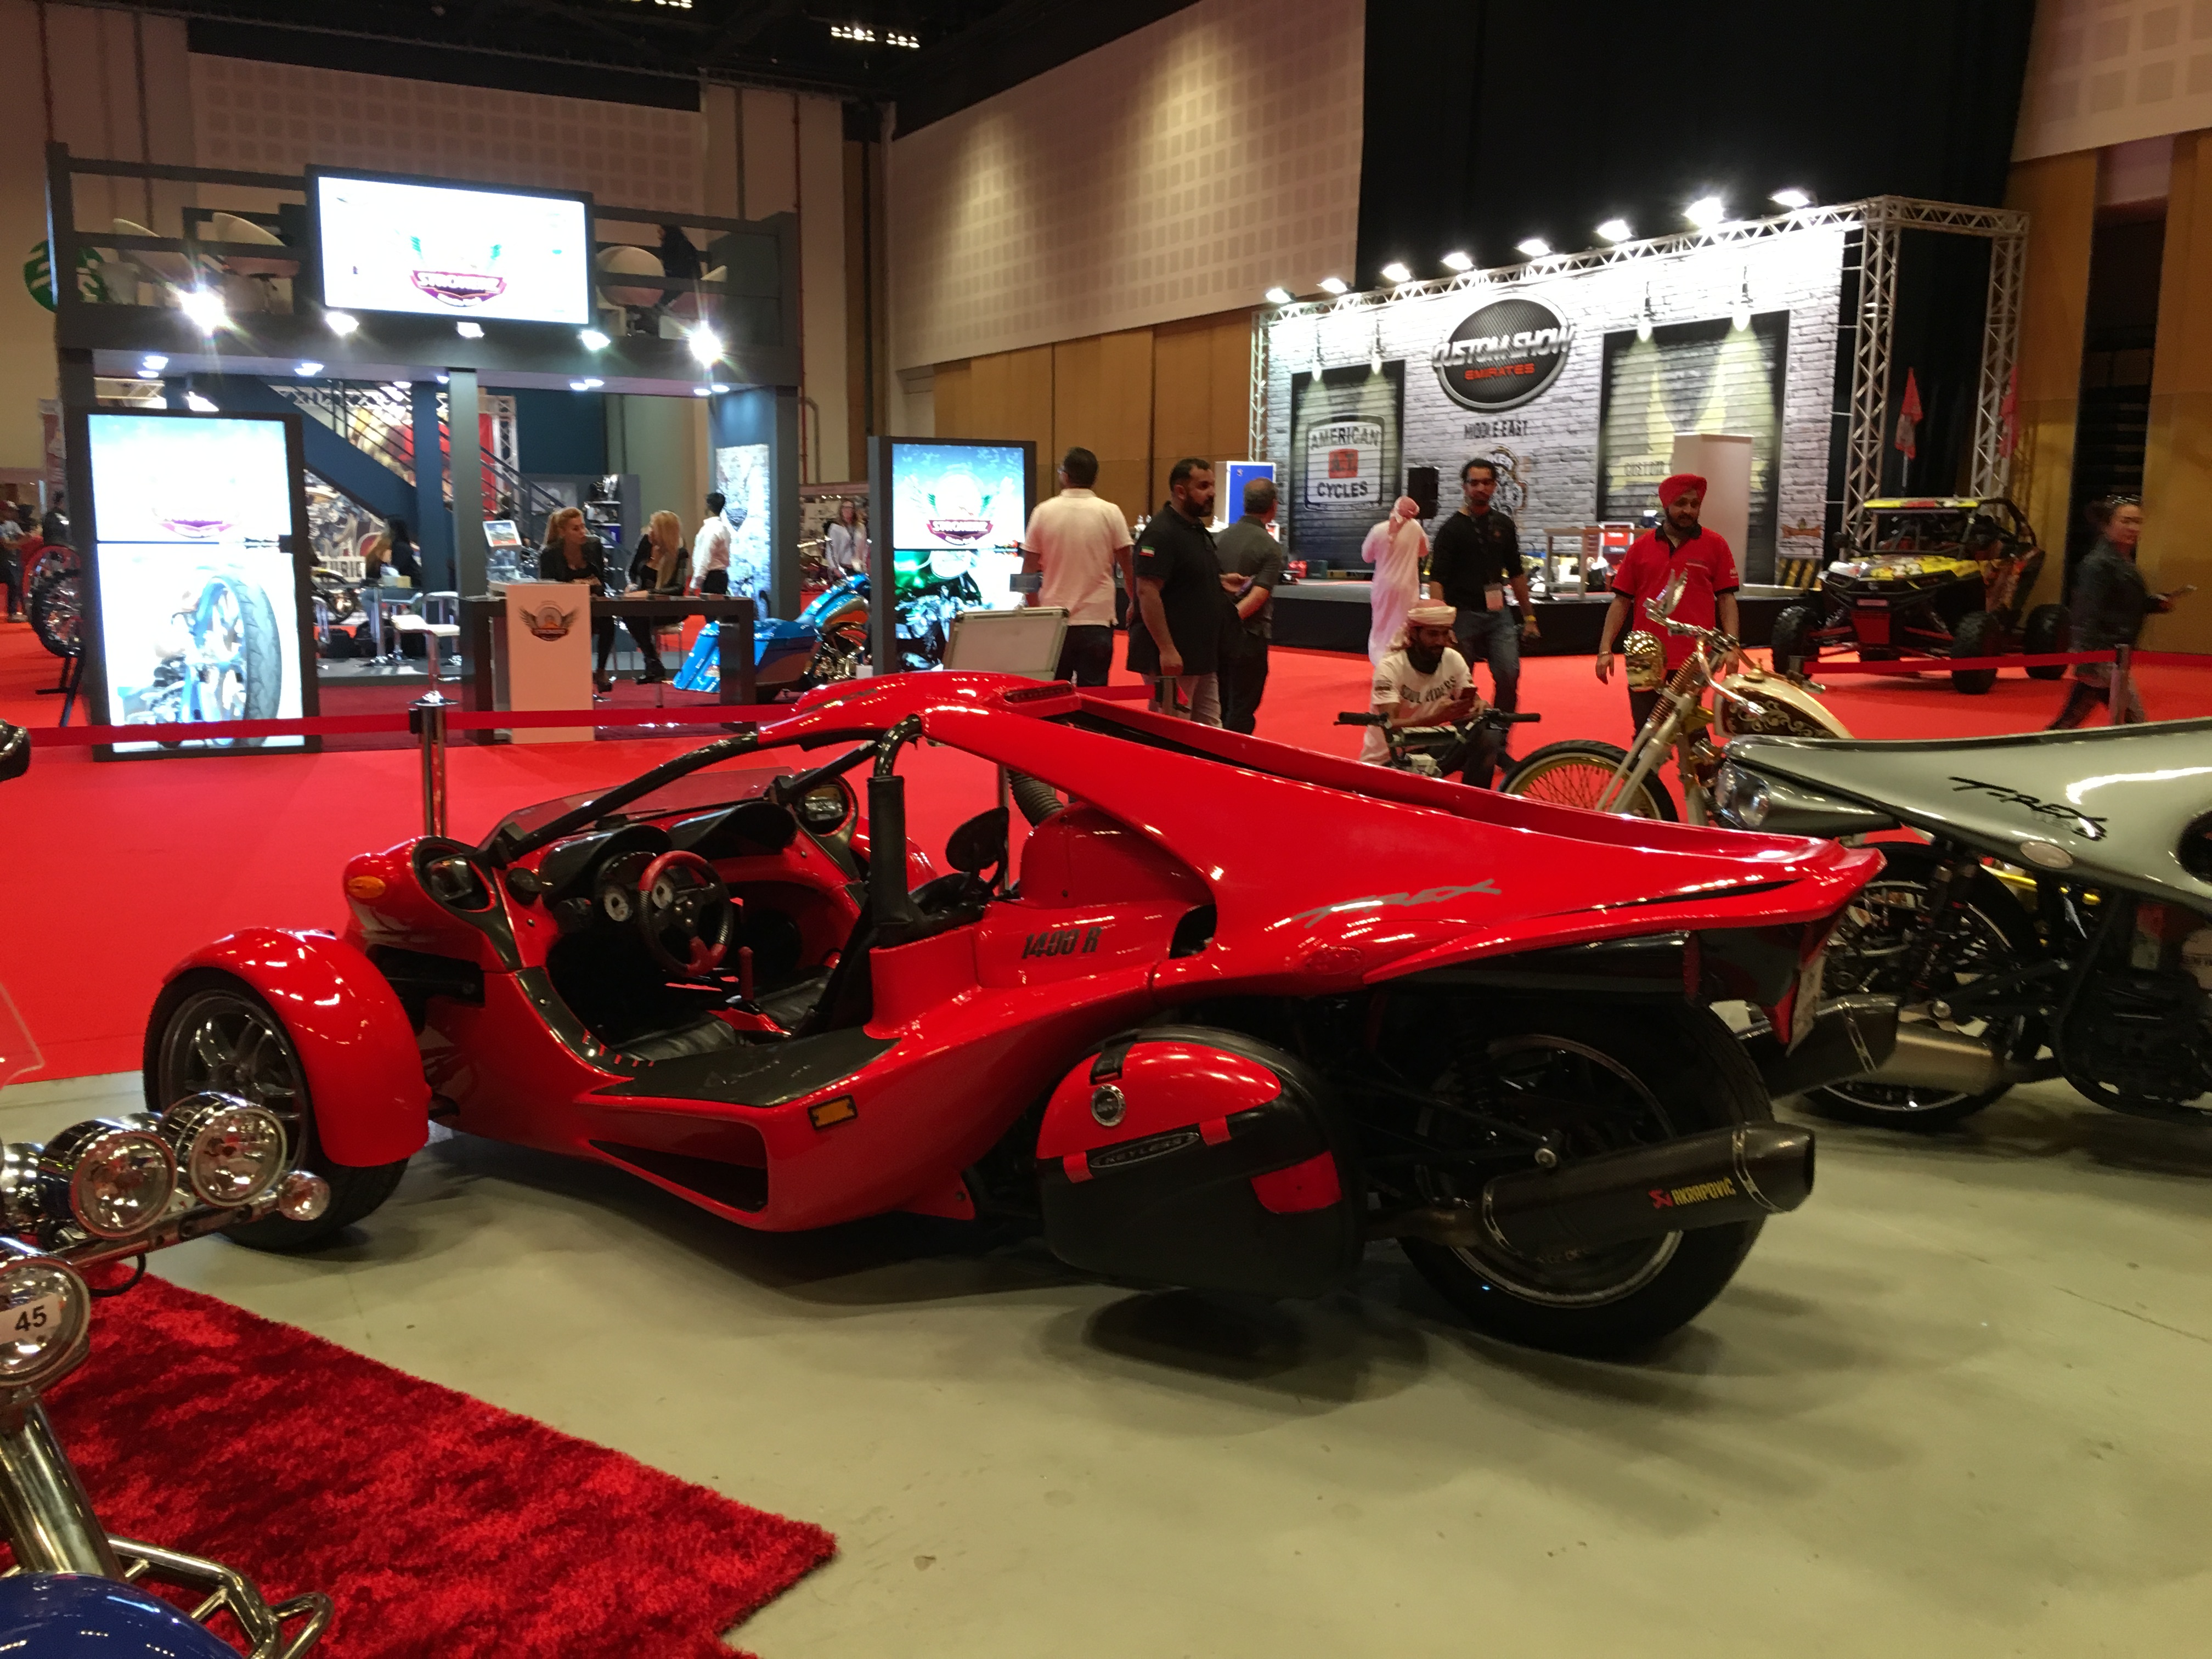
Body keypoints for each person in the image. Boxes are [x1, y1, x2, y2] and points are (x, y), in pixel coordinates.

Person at [1596, 472, 1740, 733]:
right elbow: (1621, 602)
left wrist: (1732, 645)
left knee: (1692, 734)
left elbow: (1727, 599)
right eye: (1681, 503)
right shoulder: (1640, 548)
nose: (1688, 510)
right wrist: (1605, 649)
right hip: (1645, 657)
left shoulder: (1716, 545)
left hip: (1694, 659)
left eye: (1694, 504)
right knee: (1645, 735)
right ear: (1667, 505)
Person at [2049, 498, 2185, 727]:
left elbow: (2123, 603)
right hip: (2105, 654)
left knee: (2072, 718)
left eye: (2138, 522)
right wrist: (2087, 657)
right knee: (2135, 724)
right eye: (2126, 521)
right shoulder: (2098, 564)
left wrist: (2154, 604)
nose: (2133, 528)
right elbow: (2086, 610)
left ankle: (2048, 743)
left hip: (2112, 653)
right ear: (2107, 525)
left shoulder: (2119, 560)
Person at [1426, 459, 1536, 713]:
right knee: (1460, 684)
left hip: (1499, 615)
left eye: (1487, 482)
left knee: (1509, 674)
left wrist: (1530, 617)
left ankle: (1499, 732)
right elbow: (1437, 580)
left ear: (1495, 485)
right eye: (1474, 483)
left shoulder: (1504, 525)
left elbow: (1516, 573)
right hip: (1461, 616)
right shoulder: (1451, 530)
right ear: (1464, 487)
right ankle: (1463, 733)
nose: (1481, 488)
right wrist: (1442, 625)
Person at [1022, 447, 1134, 686]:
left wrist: (1034, 612)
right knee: (1095, 699)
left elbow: (1027, 571)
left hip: (1053, 621)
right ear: (1095, 477)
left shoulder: (1042, 512)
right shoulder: (1111, 512)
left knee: (1053, 696)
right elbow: (1129, 568)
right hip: (1097, 620)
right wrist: (1134, 603)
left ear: (1065, 475)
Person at [1127, 457, 1226, 724]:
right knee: (1174, 727)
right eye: (1203, 486)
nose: (1212, 493)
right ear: (1181, 492)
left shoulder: (1194, 529)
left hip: (1199, 652)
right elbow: (1147, 592)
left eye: (1212, 486)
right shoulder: (1161, 533)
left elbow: (1187, 575)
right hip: (1174, 652)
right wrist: (1167, 649)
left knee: (1211, 729)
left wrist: (1221, 581)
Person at [1363, 602, 1480, 765]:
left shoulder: (1453, 658)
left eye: (1445, 634)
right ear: (1414, 634)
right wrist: (1435, 719)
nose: (1441, 641)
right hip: (1389, 759)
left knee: (1485, 734)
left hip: (1431, 749)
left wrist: (1479, 706)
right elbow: (1389, 725)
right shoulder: (1391, 667)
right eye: (1433, 634)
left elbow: (1472, 699)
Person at [1215, 476, 1285, 733]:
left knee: (1218, 702)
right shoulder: (1270, 546)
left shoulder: (1218, 539)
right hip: (1249, 636)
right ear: (1273, 506)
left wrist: (1220, 622)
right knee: (1243, 707)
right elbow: (1258, 597)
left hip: (1216, 635)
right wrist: (1232, 620)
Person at [538, 505, 618, 693]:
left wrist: (583, 586)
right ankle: (577, 674)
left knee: (608, 622)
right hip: (563, 610)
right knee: (577, 625)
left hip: (593, 605)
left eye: (583, 526)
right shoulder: (549, 553)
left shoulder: (594, 546)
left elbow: (600, 581)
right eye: (576, 529)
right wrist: (581, 586)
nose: (583, 532)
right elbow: (547, 588)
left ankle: (600, 670)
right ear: (562, 532)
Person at [625, 510, 691, 684]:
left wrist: (650, 593)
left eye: (653, 527)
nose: (649, 531)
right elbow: (631, 571)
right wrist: (633, 586)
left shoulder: (680, 553)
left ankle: (652, 663)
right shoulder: (645, 543)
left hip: (669, 607)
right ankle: (653, 662)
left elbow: (678, 588)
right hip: (642, 604)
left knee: (638, 617)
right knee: (629, 612)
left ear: (664, 532)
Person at [1362, 495, 1427, 665]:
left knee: (1381, 624)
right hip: (1408, 588)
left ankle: (1381, 663)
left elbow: (1366, 557)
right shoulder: (1416, 528)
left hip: (1383, 586)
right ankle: (1401, 665)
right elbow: (1424, 551)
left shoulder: (1378, 529)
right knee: (1404, 626)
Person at [693, 492, 732, 595]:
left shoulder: (710, 530)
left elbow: (705, 557)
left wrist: (694, 585)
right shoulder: (724, 529)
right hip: (720, 576)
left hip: (712, 579)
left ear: (708, 505)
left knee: (712, 605)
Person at [826, 501, 868, 579]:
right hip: (843, 567)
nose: (848, 510)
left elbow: (864, 548)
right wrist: (835, 568)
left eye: (850, 508)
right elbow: (831, 550)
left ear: (854, 510)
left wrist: (864, 565)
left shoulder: (860, 527)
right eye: (845, 508)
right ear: (841, 510)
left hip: (858, 568)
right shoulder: (836, 528)